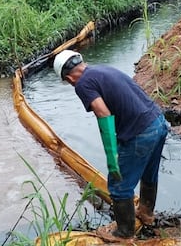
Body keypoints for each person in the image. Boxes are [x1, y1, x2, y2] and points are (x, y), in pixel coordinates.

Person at [53, 49, 169, 242]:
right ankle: (146, 213)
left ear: (68, 76)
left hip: (140, 132)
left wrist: (111, 153)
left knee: (118, 186)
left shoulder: (82, 84)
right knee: (149, 173)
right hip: (158, 122)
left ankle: (124, 233)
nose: (71, 83)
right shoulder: (102, 70)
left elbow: (103, 113)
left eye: (67, 80)